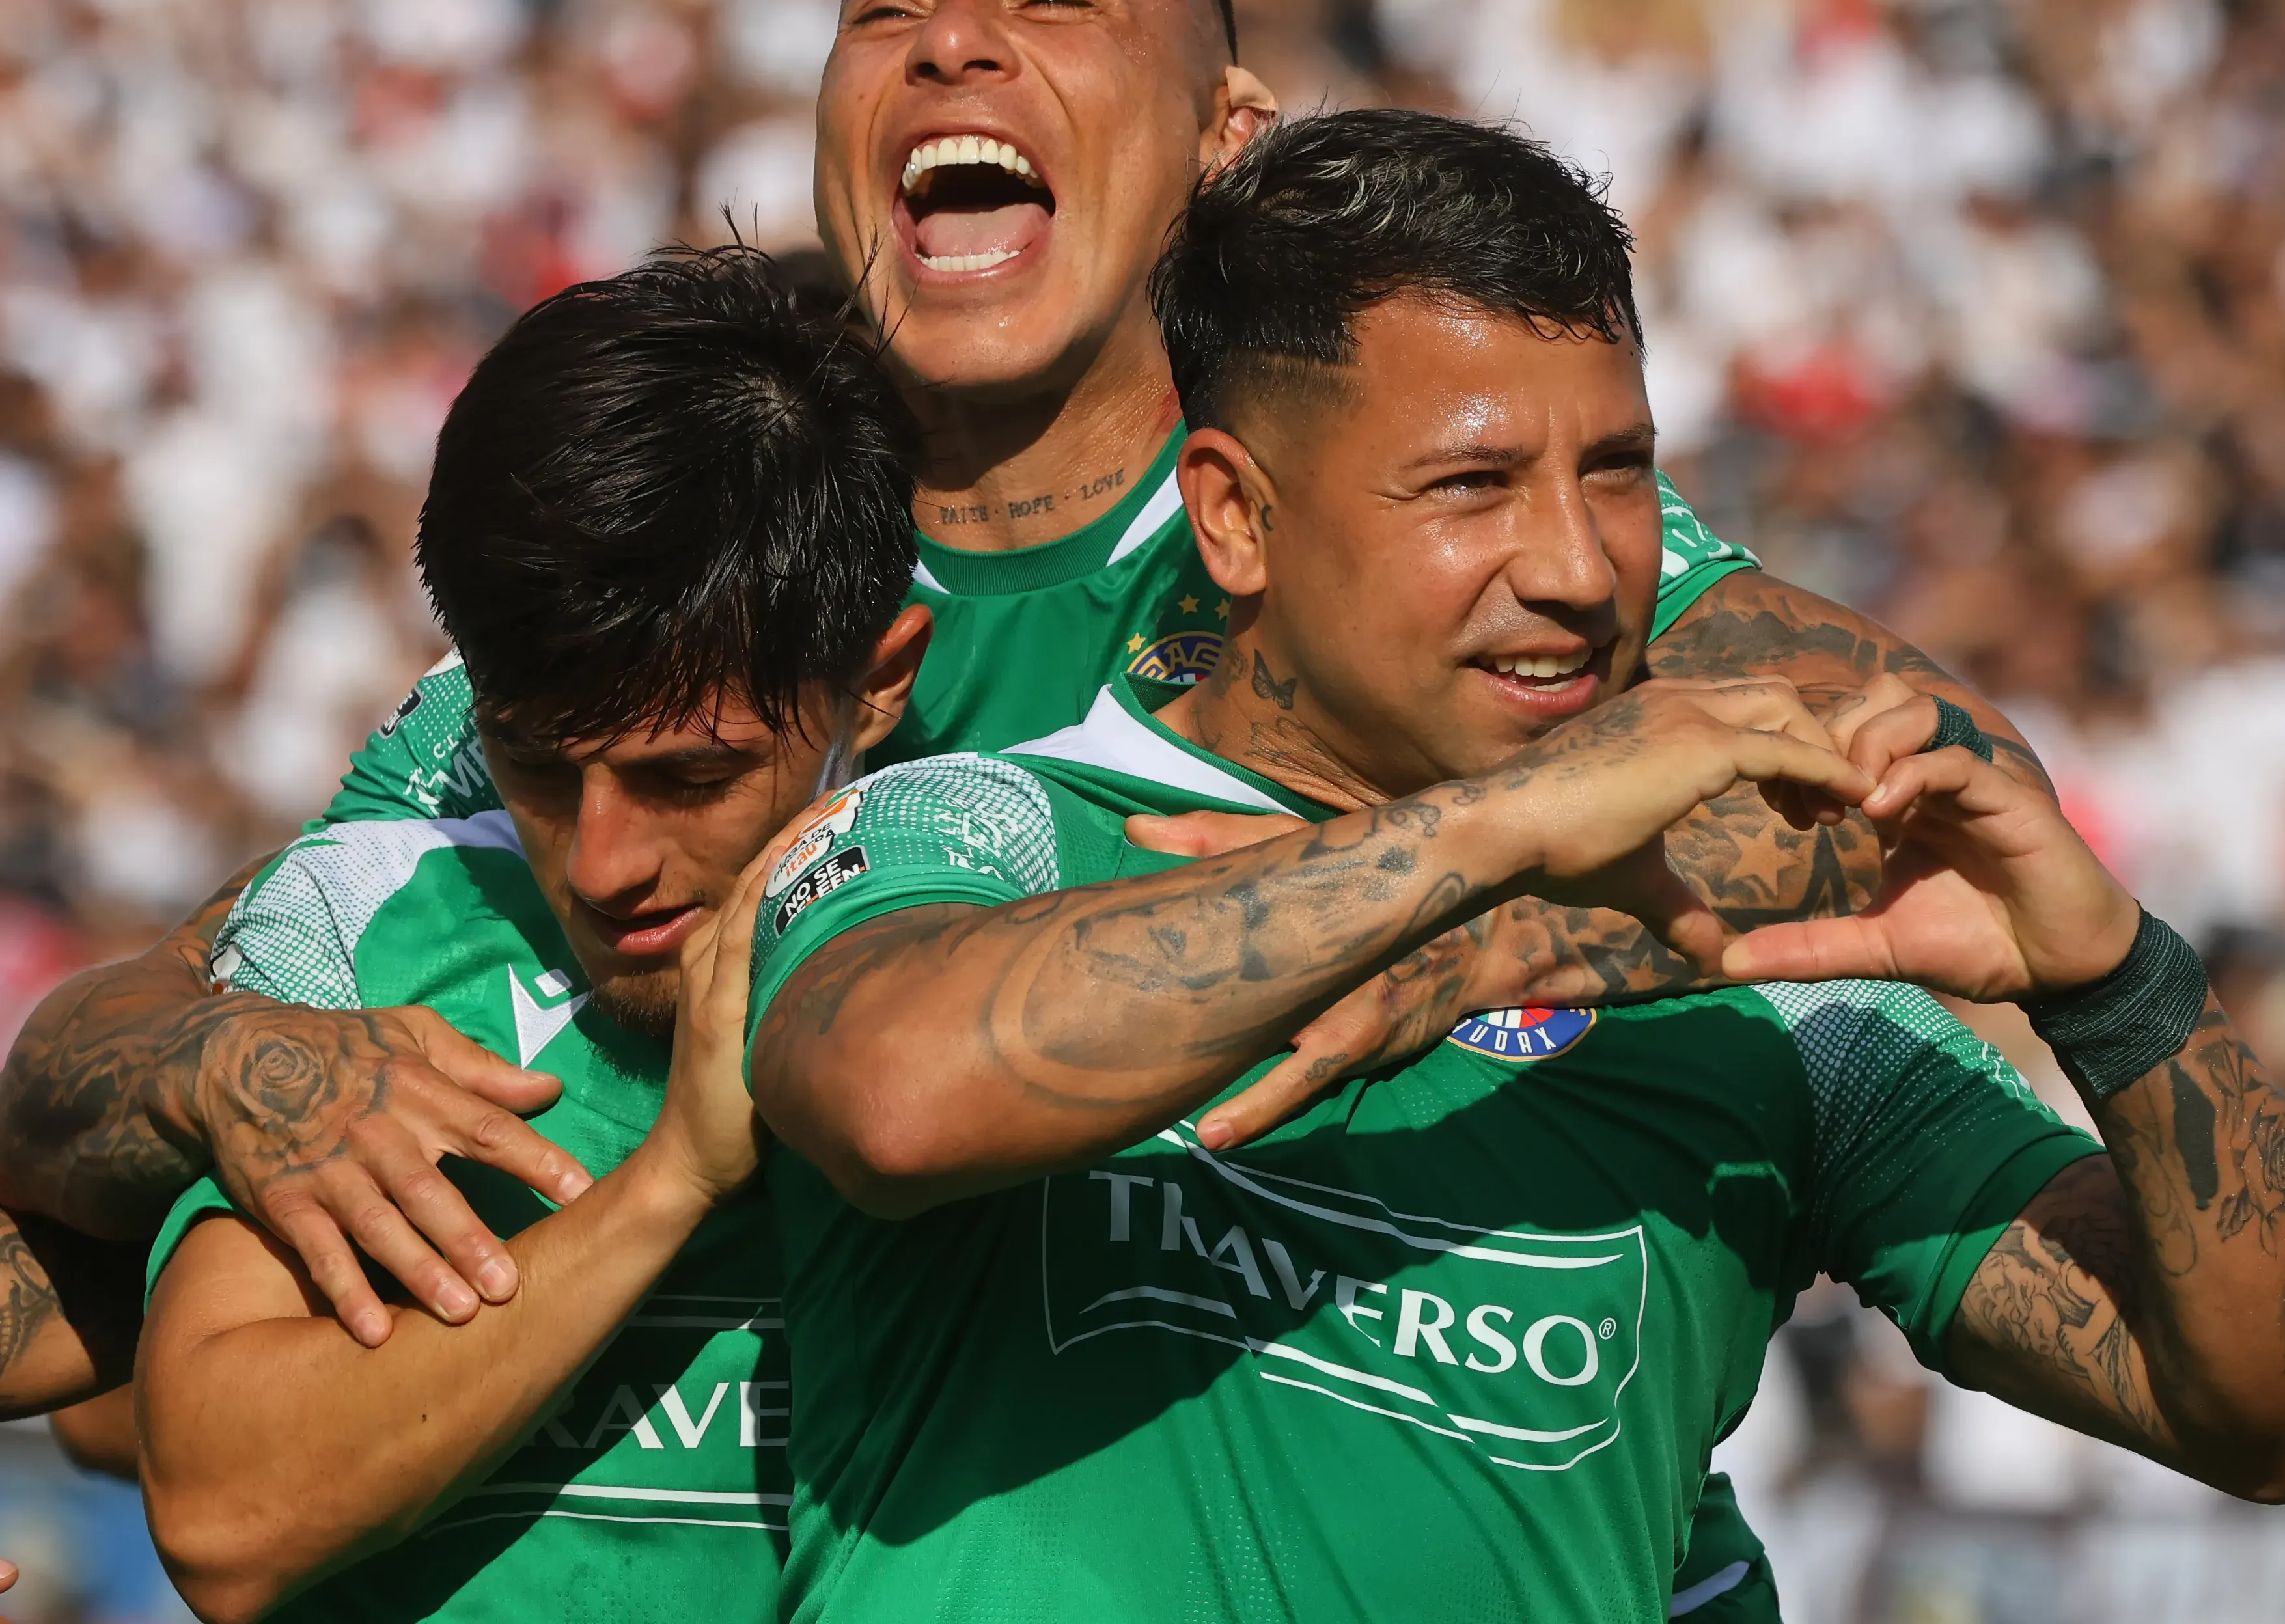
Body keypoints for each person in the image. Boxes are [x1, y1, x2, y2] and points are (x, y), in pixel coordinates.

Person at [1, 0, 2042, 1610]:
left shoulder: (1397, 539)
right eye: (888, 10)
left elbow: (1914, 781)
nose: (954, 41)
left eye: (1052, 3)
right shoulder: (701, 599)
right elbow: (109, 1084)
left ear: (1227, 140)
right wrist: (239, 1072)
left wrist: (1516, 904)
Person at [737, 110, 2285, 1619]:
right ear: (1234, 519)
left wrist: (2118, 985)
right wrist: (1488, 844)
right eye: (1471, 485)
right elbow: (891, 1093)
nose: (1575, 566)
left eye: (1616, 474)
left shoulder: (1754, 990)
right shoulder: (973, 825)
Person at [127, 243, 1850, 1623]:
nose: (602, 863)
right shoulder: (386, 922)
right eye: (533, 761)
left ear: (877, 682)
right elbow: (210, 1502)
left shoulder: (1047, 944)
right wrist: (663, 1192)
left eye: (688, 777)